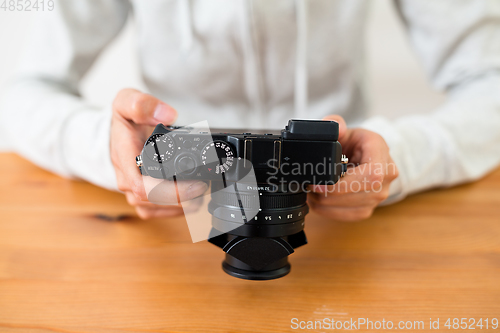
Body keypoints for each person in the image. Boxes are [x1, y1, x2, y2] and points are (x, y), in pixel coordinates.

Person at [1, 0, 499, 221]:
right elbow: (22, 92)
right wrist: (117, 157)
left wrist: (397, 162)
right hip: (176, 205)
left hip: (340, 203)